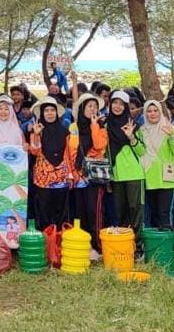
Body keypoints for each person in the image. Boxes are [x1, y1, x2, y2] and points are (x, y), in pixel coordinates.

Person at [66, 93, 108, 254]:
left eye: (95, 107)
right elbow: (69, 151)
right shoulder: (73, 128)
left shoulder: (101, 128)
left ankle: (98, 244)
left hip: (93, 176)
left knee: (94, 210)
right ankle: (83, 244)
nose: (93, 109)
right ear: (82, 109)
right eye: (89, 106)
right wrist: (71, 173)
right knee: (79, 211)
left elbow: (98, 145)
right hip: (78, 176)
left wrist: (95, 125)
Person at [139, 100, 174, 231]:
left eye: (155, 110)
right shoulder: (142, 131)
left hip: (166, 178)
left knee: (164, 215)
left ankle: (167, 246)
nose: (152, 114)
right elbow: (140, 152)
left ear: (160, 112)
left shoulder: (170, 128)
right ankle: (154, 246)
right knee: (152, 215)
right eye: (149, 111)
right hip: (149, 177)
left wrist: (171, 136)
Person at [104, 90, 144, 237]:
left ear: (126, 106)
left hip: (134, 174)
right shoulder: (105, 125)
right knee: (119, 213)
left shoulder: (134, 125)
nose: (117, 106)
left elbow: (141, 151)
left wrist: (131, 137)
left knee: (136, 212)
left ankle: (138, 246)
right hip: (115, 175)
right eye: (115, 102)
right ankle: (123, 245)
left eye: (122, 104)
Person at [28, 99, 70, 229]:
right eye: (46, 111)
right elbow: (34, 151)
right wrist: (36, 134)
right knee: (44, 209)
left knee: (60, 210)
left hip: (61, 177)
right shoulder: (37, 130)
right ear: (42, 113)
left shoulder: (65, 131)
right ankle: (45, 240)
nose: (50, 113)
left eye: (52, 110)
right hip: (43, 178)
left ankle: (58, 240)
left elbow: (68, 153)